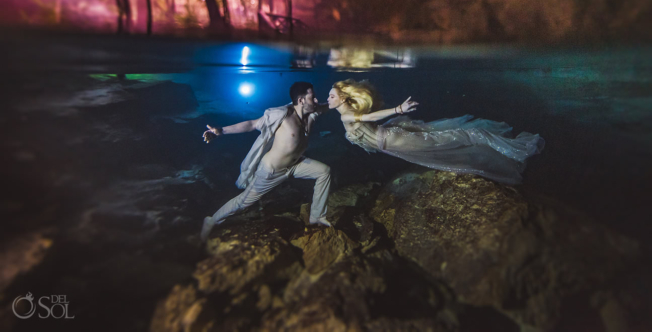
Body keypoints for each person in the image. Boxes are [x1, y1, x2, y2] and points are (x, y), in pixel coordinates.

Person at [327, 79, 544, 185]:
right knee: (445, 138)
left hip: (394, 139)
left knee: (448, 139)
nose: (328, 99)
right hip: (390, 140)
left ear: (343, 99)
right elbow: (319, 106)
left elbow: (369, 117)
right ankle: (500, 148)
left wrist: (398, 109)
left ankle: (516, 150)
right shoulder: (345, 110)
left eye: (331, 96)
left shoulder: (347, 116)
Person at [200, 82, 331, 242]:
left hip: (295, 165)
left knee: (324, 172)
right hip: (271, 171)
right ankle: (211, 221)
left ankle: (316, 217)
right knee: (243, 203)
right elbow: (252, 124)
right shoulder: (282, 115)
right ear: (301, 100)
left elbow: (328, 105)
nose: (317, 100)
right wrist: (221, 131)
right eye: (313, 97)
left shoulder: (311, 113)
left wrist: (347, 97)